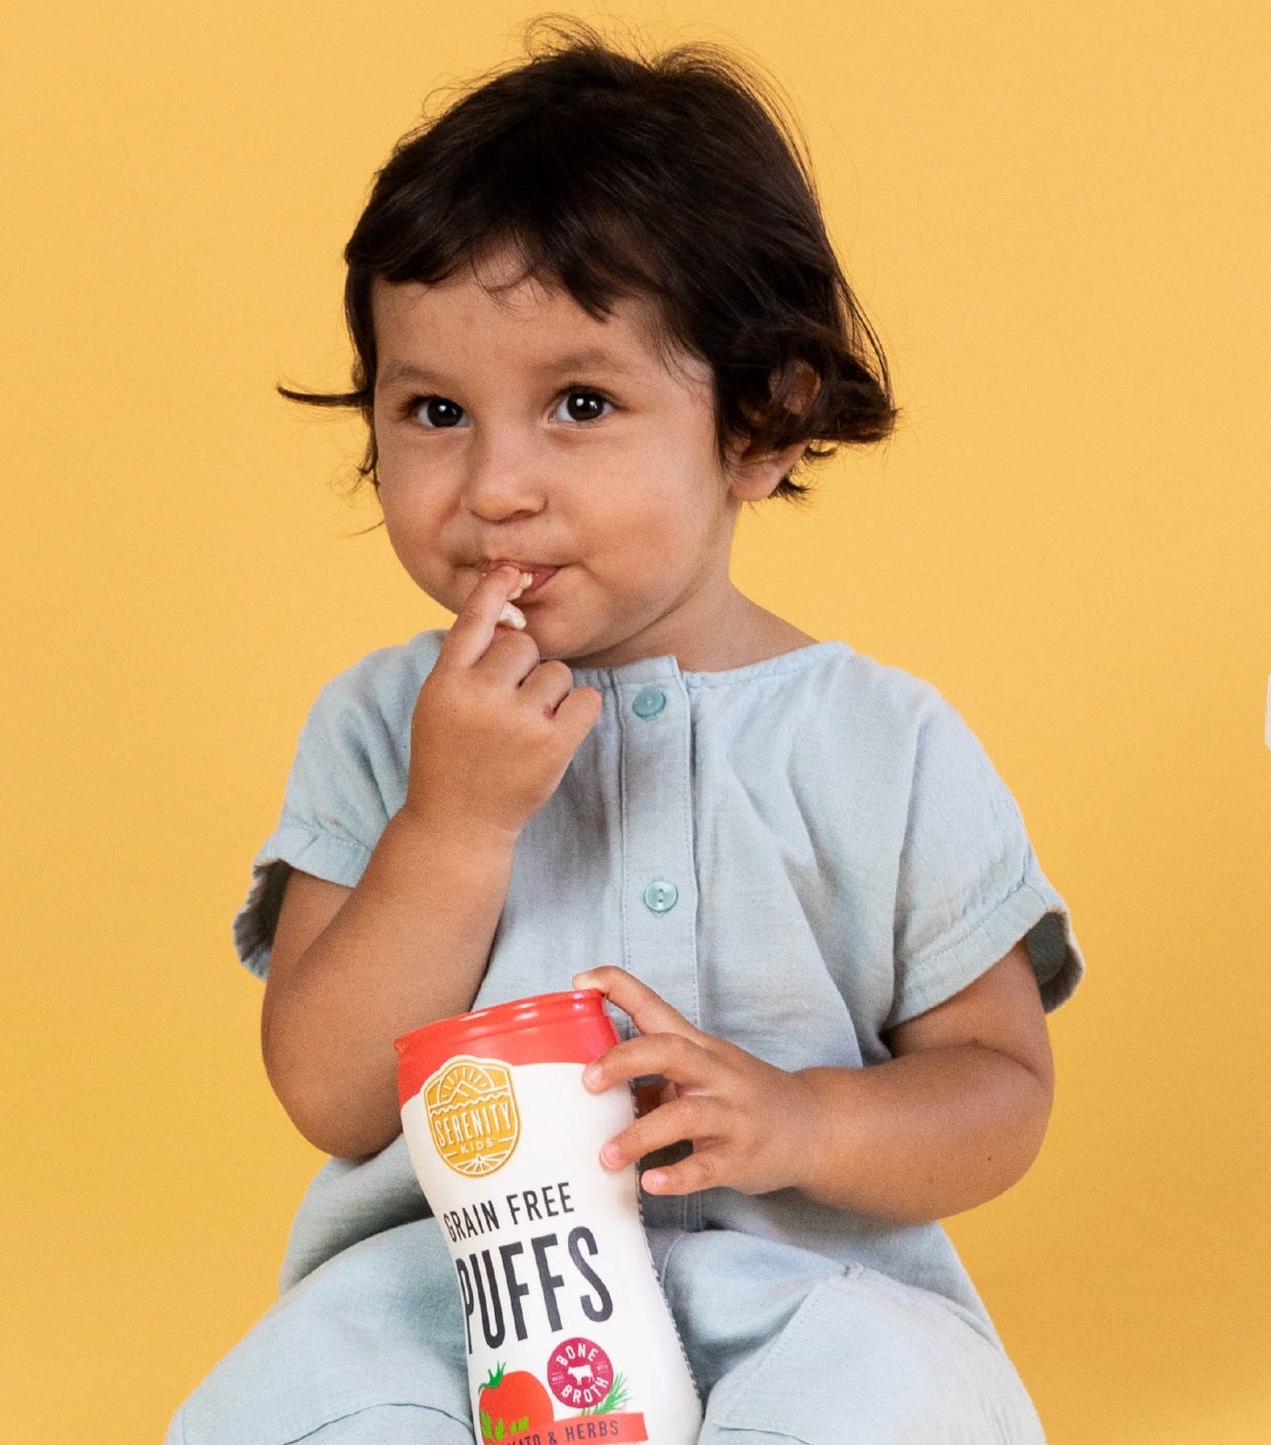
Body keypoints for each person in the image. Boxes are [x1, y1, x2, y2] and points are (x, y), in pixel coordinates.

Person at [168, 22, 1084, 1445]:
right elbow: (334, 1094)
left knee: (905, 1403)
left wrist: (806, 1122)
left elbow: (999, 1089)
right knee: (301, 1401)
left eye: (579, 403)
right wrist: (451, 825)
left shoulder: (879, 738)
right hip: (451, 1303)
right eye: (432, 411)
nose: (493, 485)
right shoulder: (376, 726)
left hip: (806, 1293)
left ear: (760, 426)